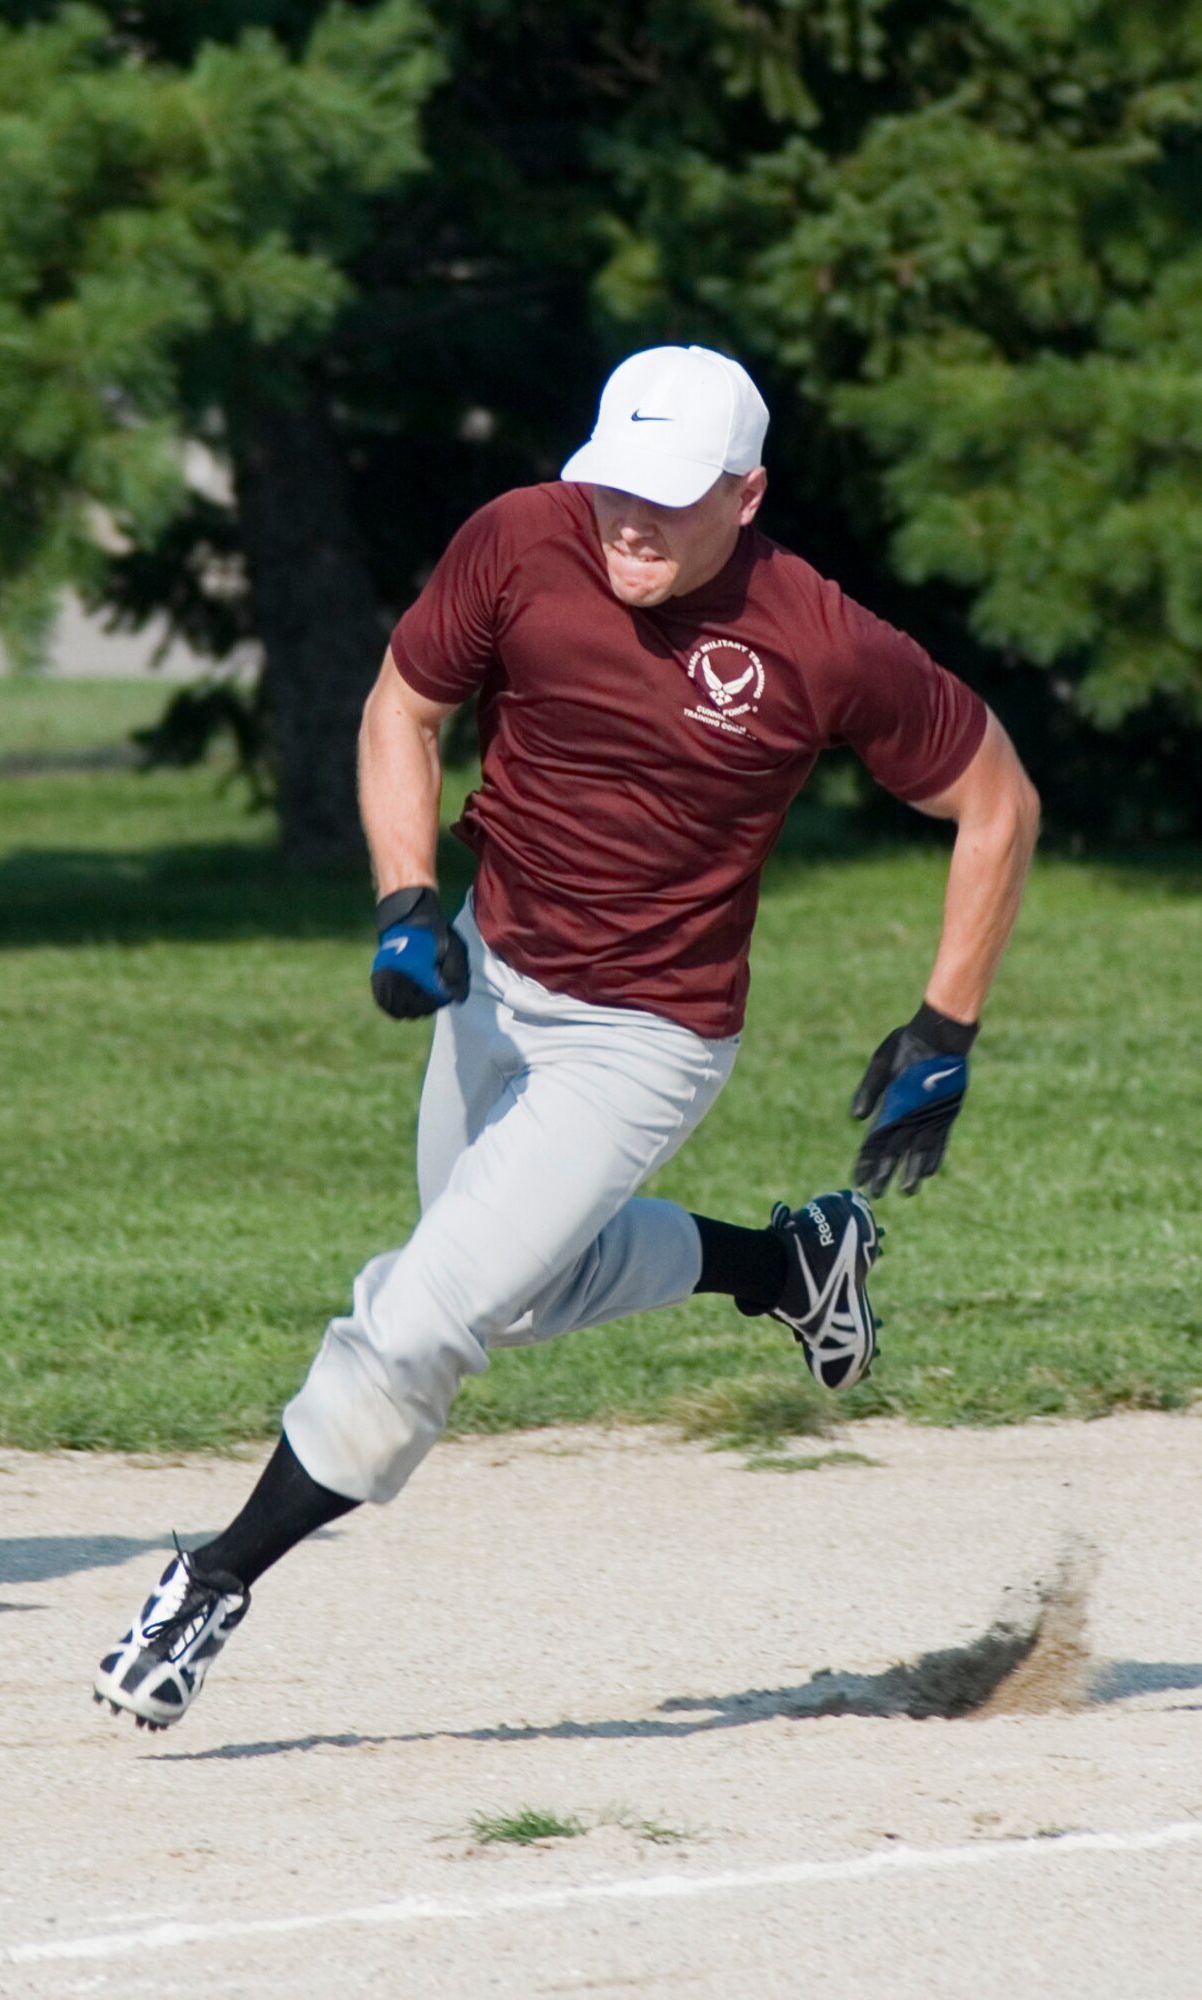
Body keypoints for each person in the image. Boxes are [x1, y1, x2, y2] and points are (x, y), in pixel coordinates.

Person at [94, 345, 1039, 1730]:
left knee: (421, 1320)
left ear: (747, 492)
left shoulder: (814, 636)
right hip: (490, 970)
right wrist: (408, 901)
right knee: (512, 1295)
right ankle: (786, 1264)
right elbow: (401, 710)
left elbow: (994, 800)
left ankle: (216, 1577)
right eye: (611, 486)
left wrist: (944, 1025)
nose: (626, 522)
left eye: (665, 497)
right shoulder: (519, 541)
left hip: (644, 1035)